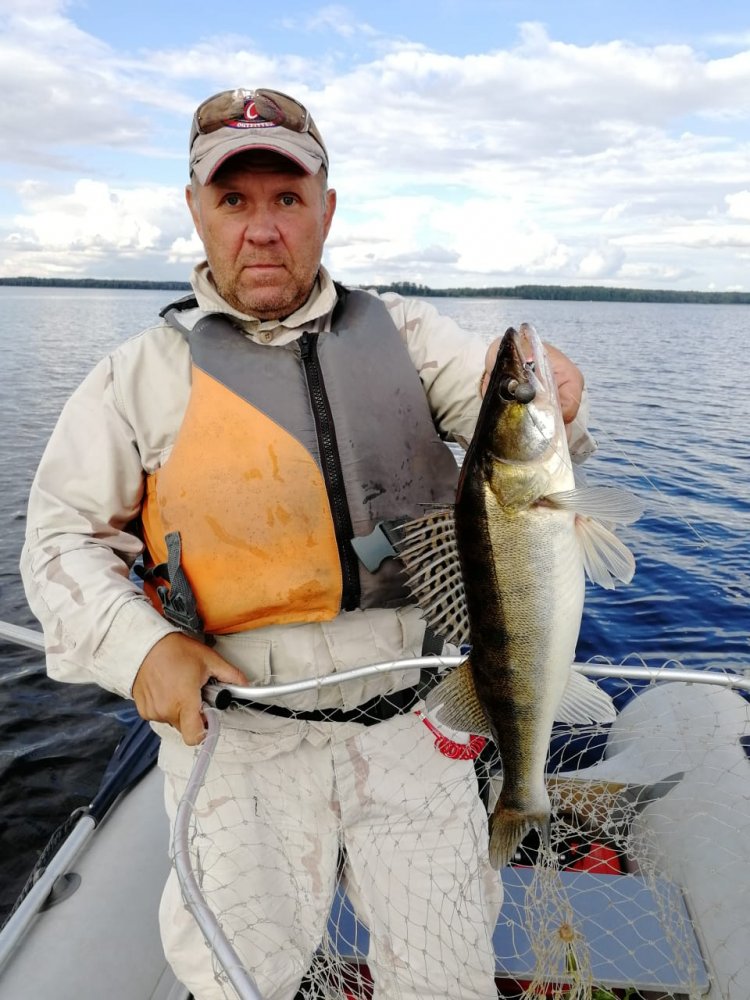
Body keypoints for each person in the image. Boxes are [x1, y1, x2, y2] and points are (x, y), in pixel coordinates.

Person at [21, 88, 593, 1000]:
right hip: (238, 733)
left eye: (288, 198)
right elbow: (59, 543)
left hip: (416, 725)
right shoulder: (135, 378)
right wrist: (142, 647)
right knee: (240, 978)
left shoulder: (408, 336)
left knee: (445, 975)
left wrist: (559, 399)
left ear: (327, 208)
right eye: (233, 199)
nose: (262, 229)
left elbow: (509, 422)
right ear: (195, 211)